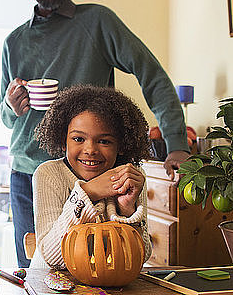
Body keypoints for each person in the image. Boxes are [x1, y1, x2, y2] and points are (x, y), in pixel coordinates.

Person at [0, 0, 188, 267]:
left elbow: (152, 75)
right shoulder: (14, 41)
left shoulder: (97, 21)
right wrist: (11, 106)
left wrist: (176, 144)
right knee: (39, 269)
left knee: (106, 265)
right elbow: (5, 117)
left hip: (93, 169)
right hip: (28, 173)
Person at [30, 85, 152, 268]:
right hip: (50, 284)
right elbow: (51, 257)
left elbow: (141, 256)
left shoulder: (130, 176)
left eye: (104, 141)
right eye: (78, 139)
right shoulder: (49, 174)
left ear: (121, 145)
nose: (90, 150)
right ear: (63, 140)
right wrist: (89, 192)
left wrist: (126, 209)